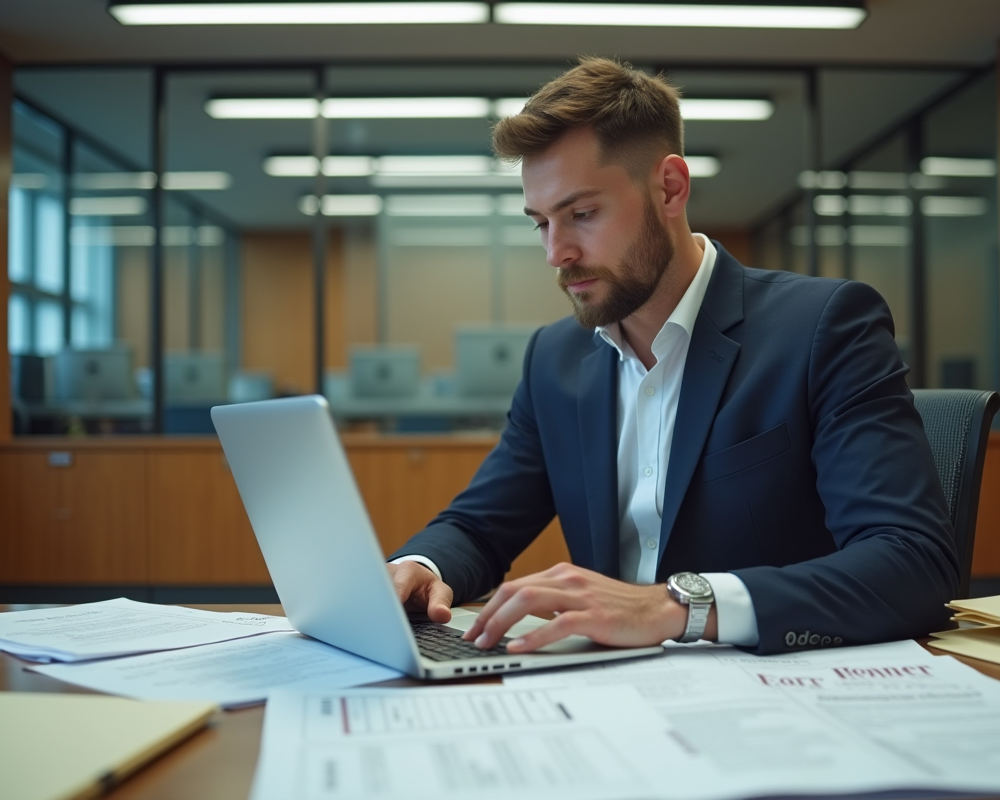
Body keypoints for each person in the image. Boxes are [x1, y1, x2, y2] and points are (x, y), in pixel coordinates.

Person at [387, 56, 958, 656]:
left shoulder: (822, 328)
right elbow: (479, 525)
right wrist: (422, 565)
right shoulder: (555, 360)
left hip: (771, 691)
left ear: (670, 188)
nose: (558, 253)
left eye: (582, 214)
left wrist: (674, 606)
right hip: (608, 691)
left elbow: (913, 562)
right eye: (541, 224)